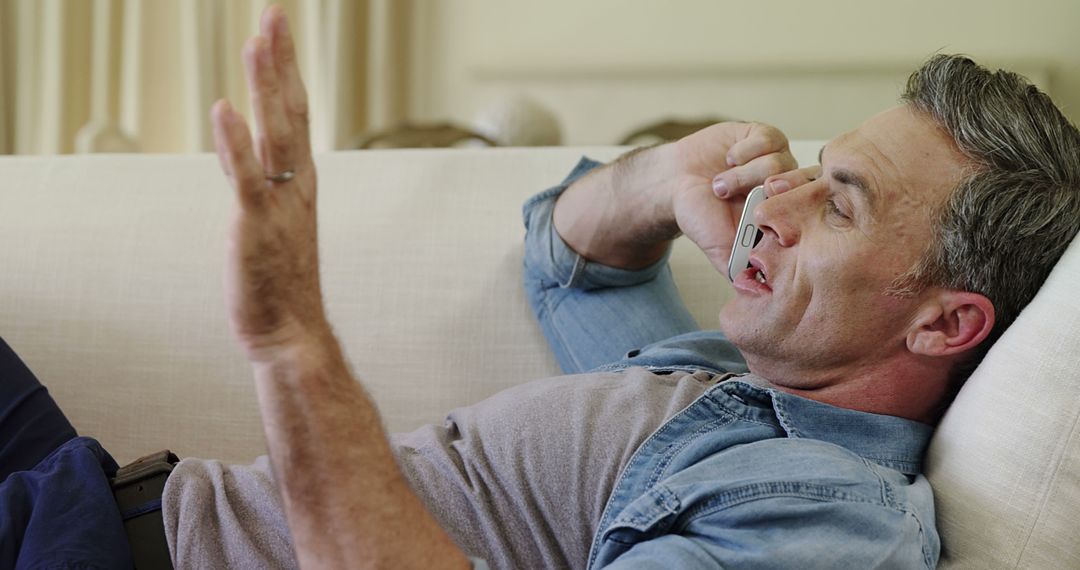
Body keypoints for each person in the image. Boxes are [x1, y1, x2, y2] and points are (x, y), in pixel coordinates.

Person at [3, 4, 1080, 568]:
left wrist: (292, 341)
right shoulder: (741, 385)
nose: (777, 204)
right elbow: (565, 258)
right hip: (85, 492)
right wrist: (663, 177)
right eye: (805, 167)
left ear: (948, 321)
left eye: (837, 204)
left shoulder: (822, 516)